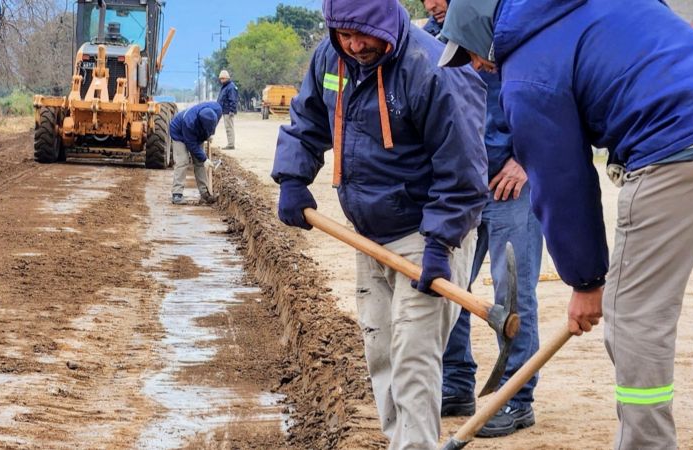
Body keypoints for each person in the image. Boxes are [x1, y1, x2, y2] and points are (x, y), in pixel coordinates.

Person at [439, 0, 693, 448]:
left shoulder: (528, 74)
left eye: (471, 53)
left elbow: (563, 181)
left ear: (485, 29)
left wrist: (587, 281)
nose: (476, 66)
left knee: (635, 317)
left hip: (675, 148)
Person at [271, 0, 489, 447]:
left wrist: (440, 243)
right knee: (382, 352)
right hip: (369, 235)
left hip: (429, 233)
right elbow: (308, 117)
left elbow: (464, 168)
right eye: (343, 35)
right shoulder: (332, 57)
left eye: (362, 35)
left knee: (413, 358)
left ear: (387, 20)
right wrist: (293, 177)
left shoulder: (433, 68)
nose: (354, 45)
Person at [421, 0, 544, 438]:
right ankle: (455, 385)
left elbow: (548, 103)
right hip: (462, 189)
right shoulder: (432, 45)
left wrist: (526, 160)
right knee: (449, 288)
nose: (431, 3)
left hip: (512, 186)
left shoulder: (509, 38)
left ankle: (517, 399)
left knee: (514, 294)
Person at [169, 101, 221, 205]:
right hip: (179, 132)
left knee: (200, 163)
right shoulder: (190, 123)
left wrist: (208, 134)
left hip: (197, 133)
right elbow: (191, 144)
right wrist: (205, 159)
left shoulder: (217, 109)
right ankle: (177, 194)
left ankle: (205, 194)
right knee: (182, 161)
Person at [217, 70, 238, 150]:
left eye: (223, 79)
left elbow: (233, 100)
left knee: (229, 128)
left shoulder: (231, 87)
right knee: (228, 127)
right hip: (225, 110)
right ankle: (230, 143)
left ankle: (231, 144)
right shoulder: (225, 86)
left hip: (228, 111)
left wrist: (232, 110)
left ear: (227, 78)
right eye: (220, 79)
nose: (221, 80)